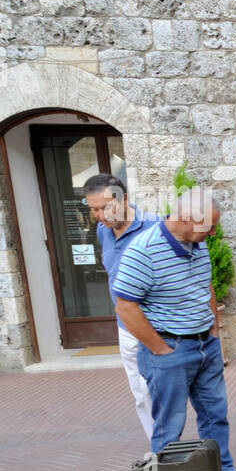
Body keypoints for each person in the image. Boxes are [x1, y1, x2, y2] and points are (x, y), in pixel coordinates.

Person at [113, 188, 236, 471]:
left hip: (205, 345)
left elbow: (205, 282)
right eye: (209, 226)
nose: (214, 232)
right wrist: (160, 349)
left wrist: (214, 331)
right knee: (169, 424)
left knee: (215, 415)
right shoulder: (143, 250)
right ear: (182, 218)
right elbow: (125, 306)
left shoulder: (198, 242)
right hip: (170, 349)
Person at [83, 174, 160, 442]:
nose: (99, 215)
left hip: (157, 325)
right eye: (93, 209)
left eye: (105, 207)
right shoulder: (103, 230)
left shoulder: (155, 228)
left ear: (124, 199)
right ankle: (161, 450)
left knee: (169, 392)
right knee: (141, 393)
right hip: (126, 328)